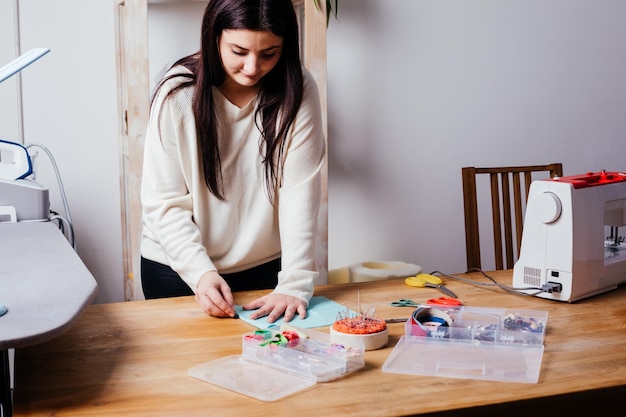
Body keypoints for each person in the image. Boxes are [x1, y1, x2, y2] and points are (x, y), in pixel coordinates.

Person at [140, 0, 325, 324]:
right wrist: (200, 274)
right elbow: (164, 203)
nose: (253, 67)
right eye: (239, 51)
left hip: (266, 269)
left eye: (269, 53)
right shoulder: (177, 94)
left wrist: (295, 282)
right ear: (214, 38)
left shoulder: (298, 89)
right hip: (178, 269)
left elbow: (299, 191)